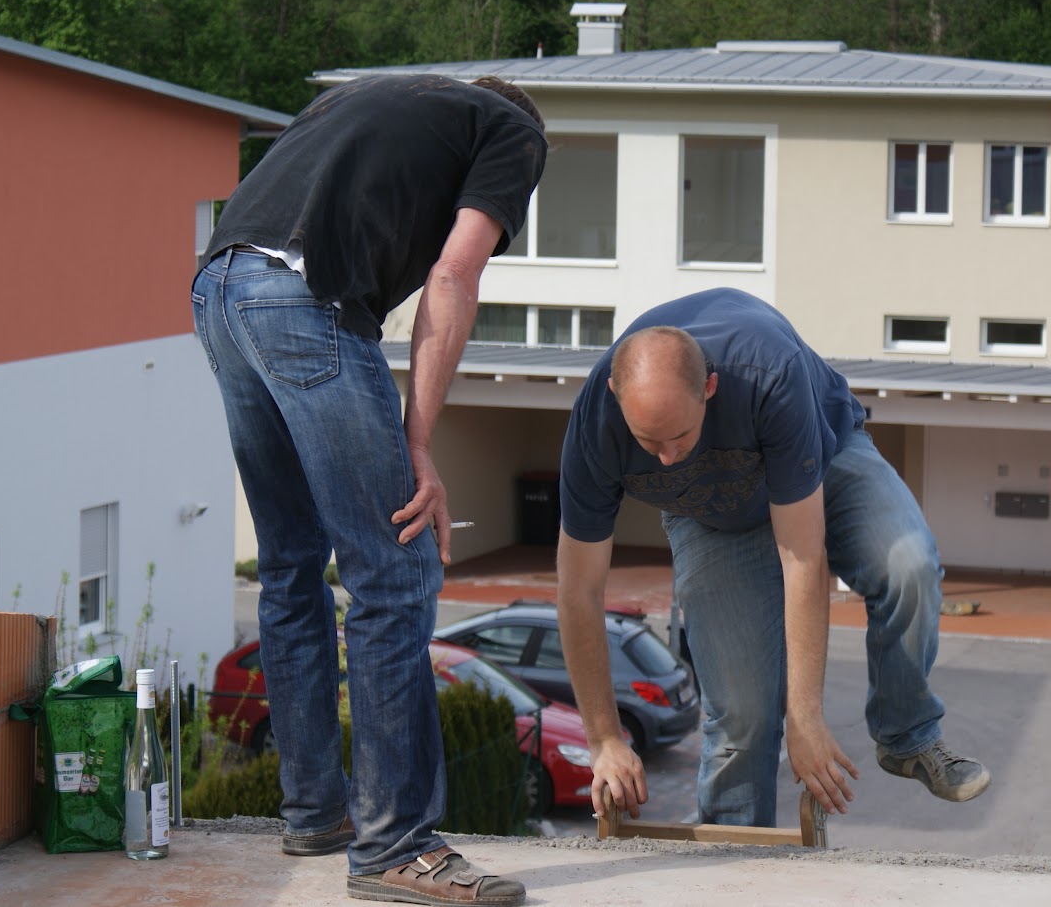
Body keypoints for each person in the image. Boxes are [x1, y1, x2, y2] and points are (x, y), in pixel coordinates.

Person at [192, 73, 546, 906]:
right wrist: (417, 442)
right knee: (395, 570)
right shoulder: (513, 131)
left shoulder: (367, 99)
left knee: (290, 564)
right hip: (300, 300)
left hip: (218, 288)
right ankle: (397, 845)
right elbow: (454, 276)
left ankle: (316, 810)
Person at [555, 288, 989, 829]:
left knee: (909, 566)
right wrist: (603, 739)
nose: (665, 458)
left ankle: (907, 735)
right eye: (648, 441)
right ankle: (735, 859)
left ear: (710, 387)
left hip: (823, 460)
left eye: (680, 436)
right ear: (616, 396)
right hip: (710, 514)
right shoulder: (594, 426)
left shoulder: (768, 373)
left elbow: (802, 556)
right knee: (741, 718)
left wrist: (806, 717)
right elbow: (579, 592)